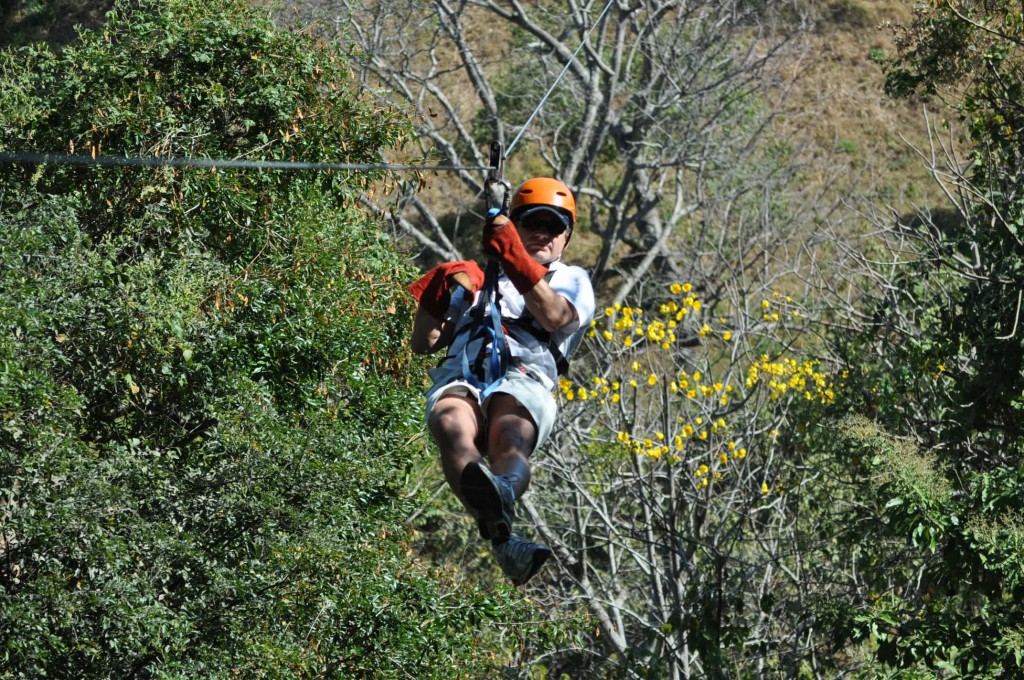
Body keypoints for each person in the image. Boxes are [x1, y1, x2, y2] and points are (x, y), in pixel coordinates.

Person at [408, 177, 595, 585]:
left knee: (507, 433)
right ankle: (498, 525)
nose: (542, 234)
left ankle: (505, 488)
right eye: (531, 224)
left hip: (524, 376)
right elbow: (423, 343)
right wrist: (436, 294)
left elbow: (554, 317)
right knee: (449, 421)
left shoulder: (572, 280)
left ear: (567, 236)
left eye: (554, 226)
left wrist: (511, 253)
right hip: (464, 373)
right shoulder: (474, 281)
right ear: (515, 225)